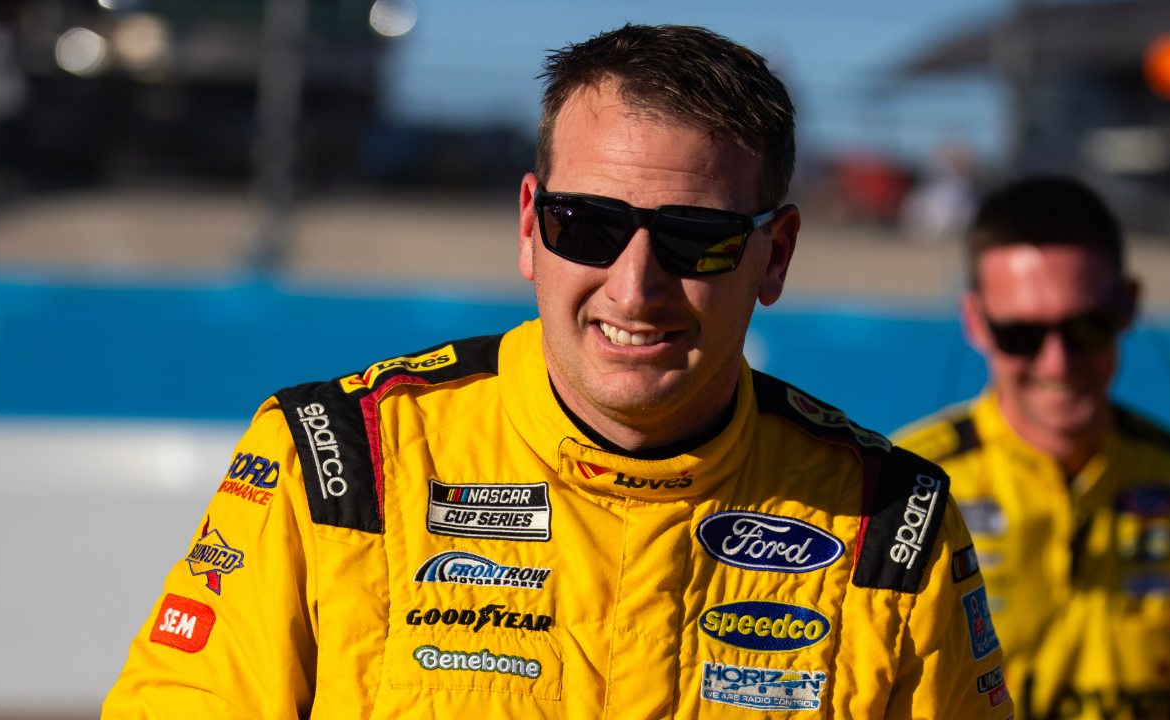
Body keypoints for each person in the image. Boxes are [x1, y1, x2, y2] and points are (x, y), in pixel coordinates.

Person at [103, 25, 1011, 719]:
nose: (635, 285)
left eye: (697, 240)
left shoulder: (895, 524)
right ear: (532, 223)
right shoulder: (340, 461)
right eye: (591, 225)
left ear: (775, 255)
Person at [894, 177, 1170, 720]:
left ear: (1127, 306)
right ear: (977, 322)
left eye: (1087, 326)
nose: (1058, 364)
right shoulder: (897, 492)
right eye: (1022, 335)